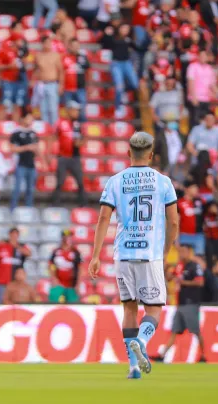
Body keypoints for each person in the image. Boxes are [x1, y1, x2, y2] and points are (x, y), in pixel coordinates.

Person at [90, 131, 179, 379]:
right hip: (150, 254)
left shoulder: (115, 181)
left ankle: (132, 367)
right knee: (154, 309)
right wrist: (165, 251)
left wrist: (95, 255)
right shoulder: (163, 182)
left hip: (123, 254)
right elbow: (173, 221)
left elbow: (104, 218)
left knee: (129, 309)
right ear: (151, 155)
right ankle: (142, 340)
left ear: (129, 153)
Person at [154, 245, 208, 363]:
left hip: (191, 302)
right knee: (174, 330)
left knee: (195, 331)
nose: (182, 254)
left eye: (184, 251)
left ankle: (204, 355)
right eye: (181, 251)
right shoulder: (179, 265)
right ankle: (162, 355)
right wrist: (165, 269)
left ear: (189, 252)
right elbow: (169, 278)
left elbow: (200, 282)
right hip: (181, 303)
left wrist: (183, 282)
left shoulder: (194, 266)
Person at [101, 23, 139, 117]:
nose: (125, 30)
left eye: (127, 28)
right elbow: (104, 44)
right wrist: (106, 34)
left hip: (127, 63)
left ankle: (124, 90)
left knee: (135, 84)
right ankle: (118, 107)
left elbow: (137, 48)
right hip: (116, 64)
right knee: (118, 88)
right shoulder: (114, 38)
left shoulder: (129, 40)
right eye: (124, 28)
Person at [52, 101, 85, 207]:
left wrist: (80, 142)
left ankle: (83, 205)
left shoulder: (77, 125)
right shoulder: (60, 123)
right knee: (60, 182)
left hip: (75, 157)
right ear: (69, 110)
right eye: (75, 110)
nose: (77, 113)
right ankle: (55, 204)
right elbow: (53, 138)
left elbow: (81, 140)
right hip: (63, 157)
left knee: (80, 182)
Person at [0, 227, 30, 303]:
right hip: (2, 282)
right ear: (9, 235)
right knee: (0, 304)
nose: (14, 236)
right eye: (12, 234)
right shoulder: (2, 245)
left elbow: (28, 253)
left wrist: (16, 246)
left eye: (16, 235)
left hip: (15, 283)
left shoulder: (21, 246)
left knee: (15, 305)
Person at [10, 113, 42, 211]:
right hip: (20, 164)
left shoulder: (34, 133)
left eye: (32, 119)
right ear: (23, 119)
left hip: (31, 165)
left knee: (30, 189)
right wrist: (27, 147)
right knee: (17, 189)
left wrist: (38, 153)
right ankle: (13, 209)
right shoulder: (16, 133)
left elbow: (37, 148)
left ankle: (29, 209)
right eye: (28, 118)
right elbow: (13, 149)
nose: (30, 121)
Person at [33, 36, 63, 126]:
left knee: (53, 109)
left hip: (52, 84)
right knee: (43, 109)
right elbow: (36, 70)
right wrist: (34, 81)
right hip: (41, 84)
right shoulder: (38, 56)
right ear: (42, 44)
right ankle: (46, 130)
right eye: (46, 43)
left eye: (49, 43)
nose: (48, 45)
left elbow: (61, 71)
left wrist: (61, 85)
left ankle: (55, 130)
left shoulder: (55, 55)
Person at [186, 50, 218, 127]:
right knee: (195, 122)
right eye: (201, 56)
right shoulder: (192, 66)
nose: (203, 58)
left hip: (206, 99)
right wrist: (193, 97)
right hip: (196, 98)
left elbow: (212, 85)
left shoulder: (210, 69)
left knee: (205, 122)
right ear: (198, 56)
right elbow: (191, 82)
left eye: (205, 56)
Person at [48, 229, 82, 303]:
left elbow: (79, 268)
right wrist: (53, 278)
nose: (67, 239)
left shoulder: (75, 252)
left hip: (72, 284)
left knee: (73, 303)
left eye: (69, 237)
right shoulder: (56, 251)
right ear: (62, 238)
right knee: (54, 299)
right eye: (65, 237)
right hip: (59, 283)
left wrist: (78, 284)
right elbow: (51, 265)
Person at [62, 39, 88, 122]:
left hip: (80, 88)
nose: (75, 48)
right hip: (68, 88)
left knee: (82, 109)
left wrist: (89, 84)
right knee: (68, 110)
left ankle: (82, 128)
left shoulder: (83, 57)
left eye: (77, 45)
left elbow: (88, 70)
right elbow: (61, 72)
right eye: (73, 45)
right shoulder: (64, 57)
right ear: (69, 46)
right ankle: (68, 130)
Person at [177, 180, 205, 256]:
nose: (196, 189)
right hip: (184, 235)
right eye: (194, 187)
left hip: (199, 235)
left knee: (199, 257)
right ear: (187, 189)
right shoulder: (179, 203)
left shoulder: (201, 201)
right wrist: (177, 239)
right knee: (184, 258)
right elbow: (176, 221)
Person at [202, 201, 218, 267]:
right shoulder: (206, 216)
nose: (213, 209)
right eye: (211, 207)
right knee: (210, 257)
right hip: (209, 239)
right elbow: (204, 227)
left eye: (214, 207)